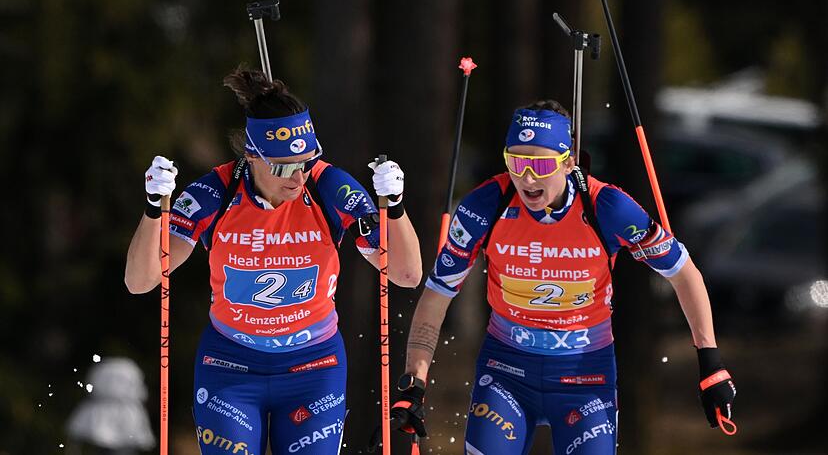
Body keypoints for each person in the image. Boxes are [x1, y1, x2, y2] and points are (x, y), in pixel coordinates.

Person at [387, 100, 736, 454]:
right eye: (516, 162)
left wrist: (711, 364)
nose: (527, 178)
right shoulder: (484, 207)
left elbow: (682, 273)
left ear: (568, 162)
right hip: (507, 368)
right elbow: (437, 295)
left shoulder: (607, 207)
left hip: (584, 375)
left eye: (540, 164)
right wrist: (413, 384)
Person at [125, 67, 422, 454]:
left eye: (306, 161)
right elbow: (140, 280)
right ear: (252, 156)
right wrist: (153, 210)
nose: (298, 176)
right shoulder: (216, 191)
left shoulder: (328, 186)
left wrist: (394, 208)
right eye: (283, 166)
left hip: (314, 367)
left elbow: (406, 274)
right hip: (229, 366)